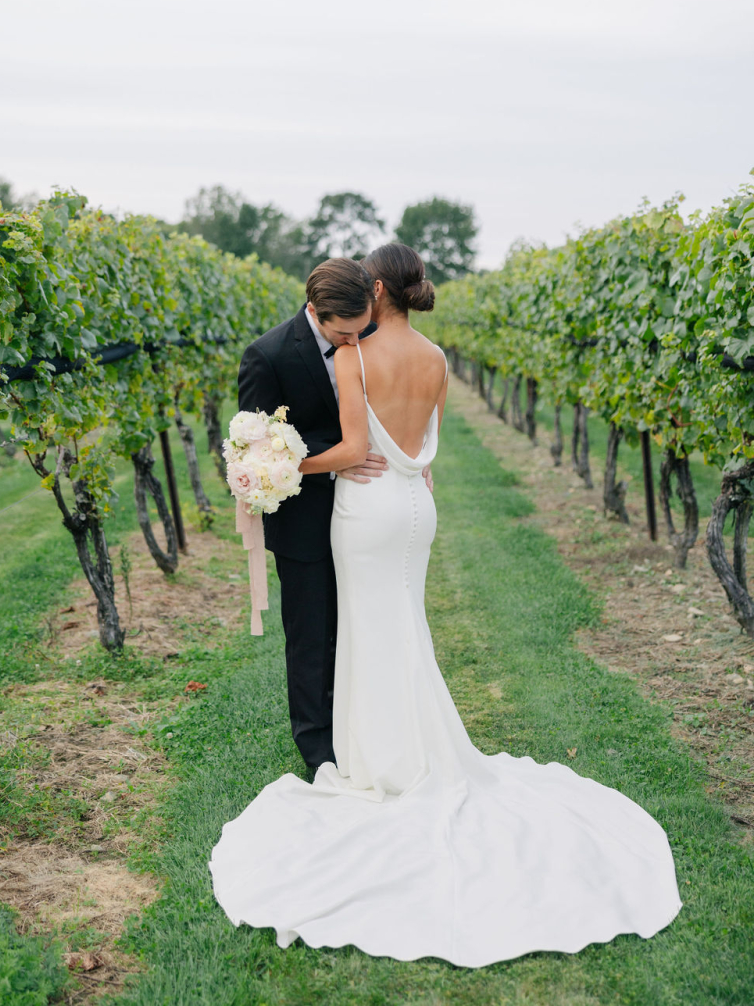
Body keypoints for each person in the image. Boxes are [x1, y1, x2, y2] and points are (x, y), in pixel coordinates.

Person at [210, 243, 682, 967]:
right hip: (414, 506)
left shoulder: (353, 358)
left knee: (373, 630)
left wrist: (286, 463)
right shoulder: (436, 357)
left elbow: (357, 445)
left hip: (364, 507)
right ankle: (404, 747)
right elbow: (420, 448)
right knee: (400, 626)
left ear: (375, 291)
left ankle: (376, 756)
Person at [236, 258, 386, 777]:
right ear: (317, 314)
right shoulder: (268, 355)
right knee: (310, 635)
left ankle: (359, 728)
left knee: (359, 625)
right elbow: (256, 454)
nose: (355, 341)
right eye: (345, 333)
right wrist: (343, 455)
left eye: (362, 329)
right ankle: (318, 748)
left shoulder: (368, 338)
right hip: (304, 521)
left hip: (365, 516)